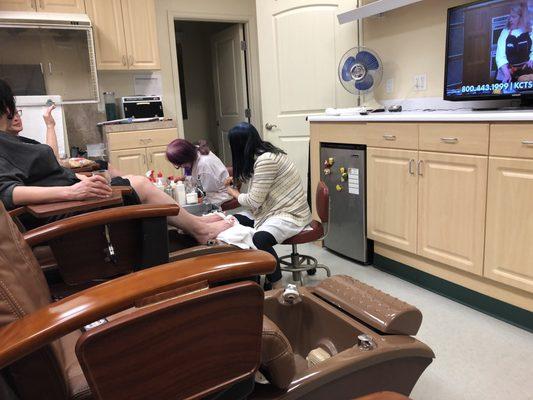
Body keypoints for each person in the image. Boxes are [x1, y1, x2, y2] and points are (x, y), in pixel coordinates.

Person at [0, 79, 230, 241]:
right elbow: (8, 193)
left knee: (127, 178)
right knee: (139, 185)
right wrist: (73, 192)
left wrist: (80, 177)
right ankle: (199, 229)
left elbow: (49, 168)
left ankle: (193, 223)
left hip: (67, 201)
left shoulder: (12, 141)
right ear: (7, 107)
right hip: (65, 210)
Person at [225, 122, 312, 290]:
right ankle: (253, 274)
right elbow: (256, 181)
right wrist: (237, 181)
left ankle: (277, 284)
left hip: (289, 213)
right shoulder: (263, 153)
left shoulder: (265, 161)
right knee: (233, 221)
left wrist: (231, 191)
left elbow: (253, 201)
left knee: (259, 239)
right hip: (272, 209)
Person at [166, 138, 231, 205]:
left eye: (180, 164)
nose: (181, 167)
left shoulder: (203, 166)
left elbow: (205, 190)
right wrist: (184, 178)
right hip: (212, 191)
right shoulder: (196, 151)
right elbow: (198, 179)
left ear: (186, 158)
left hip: (220, 198)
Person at [496, 2, 533, 83]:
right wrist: (506, 73)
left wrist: (531, 60)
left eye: (513, 17)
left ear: (522, 17)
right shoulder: (505, 32)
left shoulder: (531, 30)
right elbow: (500, 56)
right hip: (507, 71)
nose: (510, 19)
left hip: (526, 72)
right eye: (510, 16)